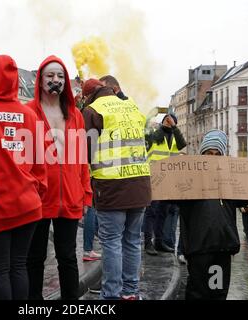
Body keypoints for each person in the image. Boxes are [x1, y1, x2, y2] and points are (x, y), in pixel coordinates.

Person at [0, 55, 47, 300]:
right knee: (18, 266)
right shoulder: (28, 115)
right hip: (27, 204)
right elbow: (40, 164)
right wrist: (36, 191)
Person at [26, 56, 93, 300]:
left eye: (60, 76)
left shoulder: (75, 115)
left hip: (70, 197)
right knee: (34, 258)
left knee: (67, 257)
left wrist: (85, 193)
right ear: (40, 80)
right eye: (50, 76)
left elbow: (81, 159)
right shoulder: (28, 112)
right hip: (39, 199)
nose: (56, 80)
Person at [82, 78, 151, 300]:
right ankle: (130, 292)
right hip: (140, 184)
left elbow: (86, 151)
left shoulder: (93, 110)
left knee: (111, 242)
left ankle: (111, 295)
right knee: (132, 240)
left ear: (88, 96)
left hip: (111, 186)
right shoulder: (131, 105)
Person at [176, 130, 248, 300]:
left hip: (223, 246)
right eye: (209, 153)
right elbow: (168, 198)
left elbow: (247, 198)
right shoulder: (189, 180)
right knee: (197, 291)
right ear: (202, 154)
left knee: (217, 292)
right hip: (199, 247)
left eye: (217, 154)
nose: (213, 158)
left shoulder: (230, 181)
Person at [143, 113, 187, 255]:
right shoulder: (155, 136)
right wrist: (155, 120)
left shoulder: (175, 139)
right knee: (151, 211)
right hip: (154, 179)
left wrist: (174, 127)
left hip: (168, 180)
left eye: (171, 120)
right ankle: (148, 242)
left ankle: (159, 241)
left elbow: (182, 144)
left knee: (163, 212)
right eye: (166, 120)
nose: (168, 121)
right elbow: (148, 135)